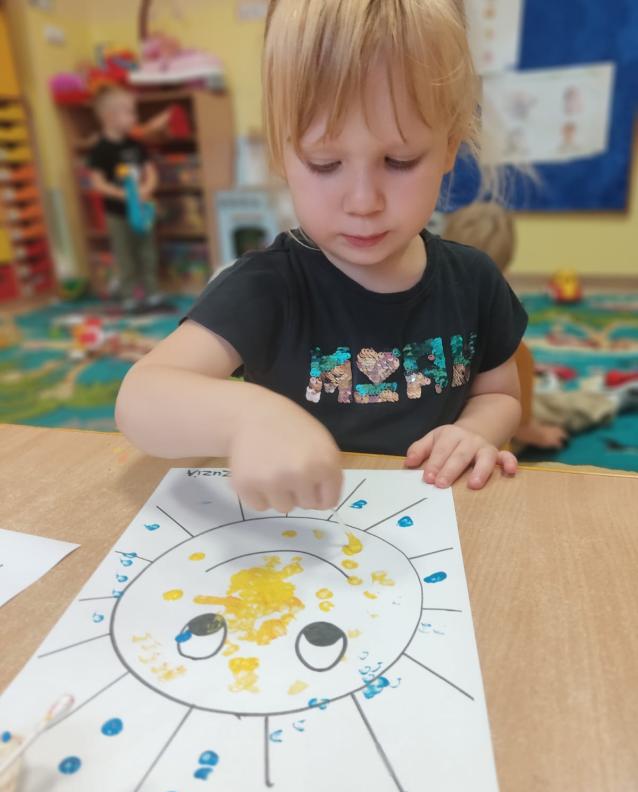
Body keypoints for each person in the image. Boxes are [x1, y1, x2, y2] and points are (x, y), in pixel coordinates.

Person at [116, 0, 528, 513]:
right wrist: (249, 417)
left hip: (432, 521)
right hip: (301, 532)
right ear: (281, 154)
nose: (363, 202)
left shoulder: (475, 280)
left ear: (449, 147)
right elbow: (140, 397)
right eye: (325, 163)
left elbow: (500, 396)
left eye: (399, 160)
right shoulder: (267, 286)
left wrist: (474, 431)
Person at [443, 202, 638, 451]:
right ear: (504, 268)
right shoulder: (513, 351)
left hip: (443, 422)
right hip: (485, 439)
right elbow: (519, 421)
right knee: (561, 405)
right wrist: (534, 432)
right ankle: (612, 400)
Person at [88, 87, 164, 313]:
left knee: (148, 253)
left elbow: (151, 172)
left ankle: (153, 294)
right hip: (118, 215)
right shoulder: (100, 149)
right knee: (125, 255)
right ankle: (130, 297)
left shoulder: (136, 145)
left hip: (142, 211)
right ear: (110, 117)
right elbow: (97, 183)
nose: (135, 118)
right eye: (129, 112)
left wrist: (146, 189)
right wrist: (125, 195)